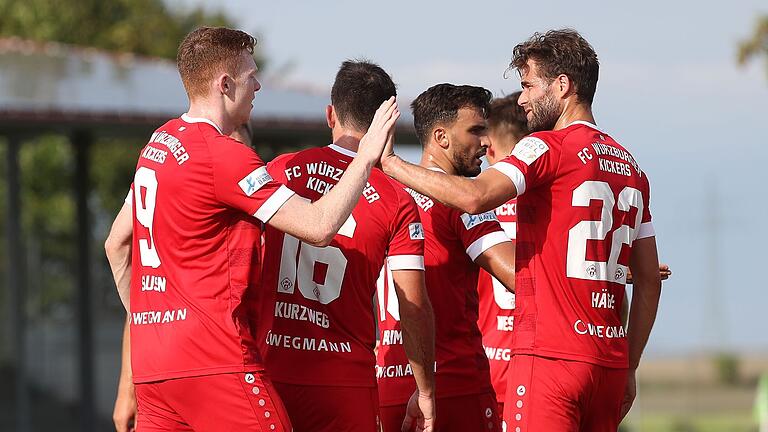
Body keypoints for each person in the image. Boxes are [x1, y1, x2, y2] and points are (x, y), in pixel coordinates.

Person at [104, 27, 399, 431]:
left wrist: (149, 319)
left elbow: (116, 245)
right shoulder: (225, 155)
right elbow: (318, 226)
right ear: (225, 85)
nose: (259, 85)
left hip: (155, 368)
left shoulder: (159, 142)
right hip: (216, 362)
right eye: (251, 75)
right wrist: (365, 157)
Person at [379, 29, 662, 432]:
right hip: (609, 364)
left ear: (563, 86)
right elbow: (650, 281)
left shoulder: (545, 146)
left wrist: (391, 163)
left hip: (549, 359)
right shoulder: (632, 166)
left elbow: (476, 197)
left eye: (528, 85)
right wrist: (629, 365)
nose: (523, 99)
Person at [257, 60, 436, 432]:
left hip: (272, 369)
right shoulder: (397, 199)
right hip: (344, 381)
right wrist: (425, 391)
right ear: (385, 126)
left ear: (330, 115)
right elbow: (413, 304)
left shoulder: (278, 170)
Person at [376, 84, 516, 432]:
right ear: (440, 137)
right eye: (476, 130)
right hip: (451, 386)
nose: (485, 141)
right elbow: (519, 275)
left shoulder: (380, 194)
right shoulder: (462, 200)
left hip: (383, 382)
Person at [474, 92, 527, 419]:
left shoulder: (473, 206)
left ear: (490, 146)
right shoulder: (555, 205)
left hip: (488, 372)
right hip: (542, 369)